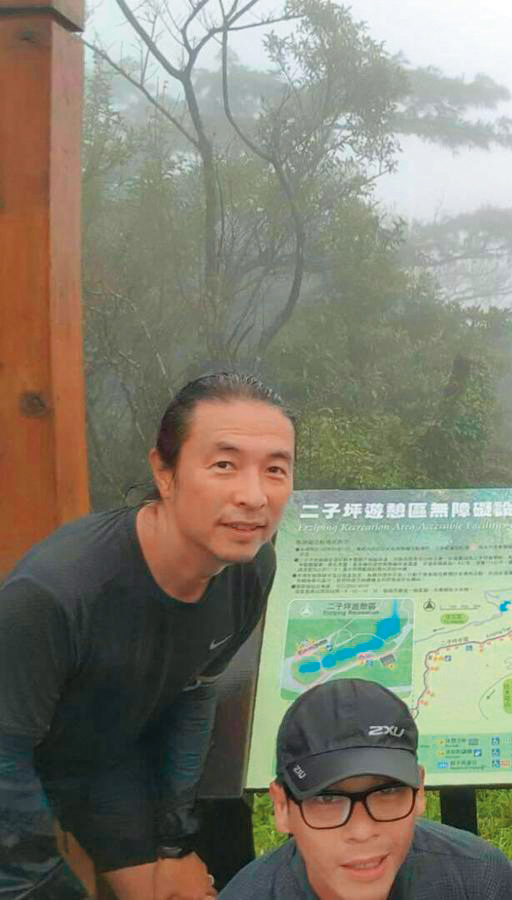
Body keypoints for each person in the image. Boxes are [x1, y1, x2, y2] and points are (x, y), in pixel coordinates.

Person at [0, 372, 295, 899]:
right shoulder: (59, 591)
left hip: (104, 763)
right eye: (224, 465)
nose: (254, 496)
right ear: (164, 471)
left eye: (275, 469)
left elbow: (197, 689)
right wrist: (46, 883)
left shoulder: (249, 569)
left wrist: (172, 844)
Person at [222, 679, 512, 900]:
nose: (362, 831)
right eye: (327, 798)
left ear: (419, 792)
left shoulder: (477, 879)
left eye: (387, 792)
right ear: (282, 807)